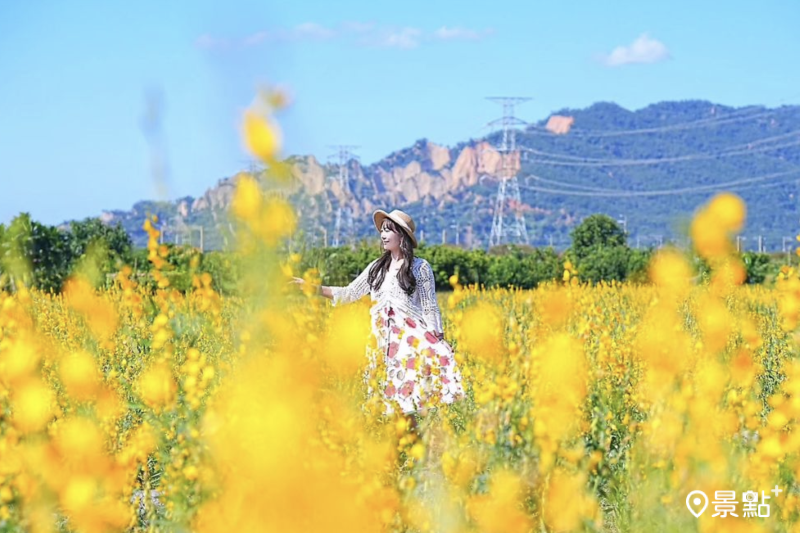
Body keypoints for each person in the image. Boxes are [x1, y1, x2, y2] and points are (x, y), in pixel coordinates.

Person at [291, 209, 465, 416]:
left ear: (402, 236)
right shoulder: (377, 268)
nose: (383, 235)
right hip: (381, 341)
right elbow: (349, 292)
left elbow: (429, 306)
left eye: (389, 230)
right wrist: (311, 287)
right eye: (382, 230)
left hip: (409, 342)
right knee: (383, 398)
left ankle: (414, 440)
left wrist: (439, 338)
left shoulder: (420, 267)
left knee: (410, 401)